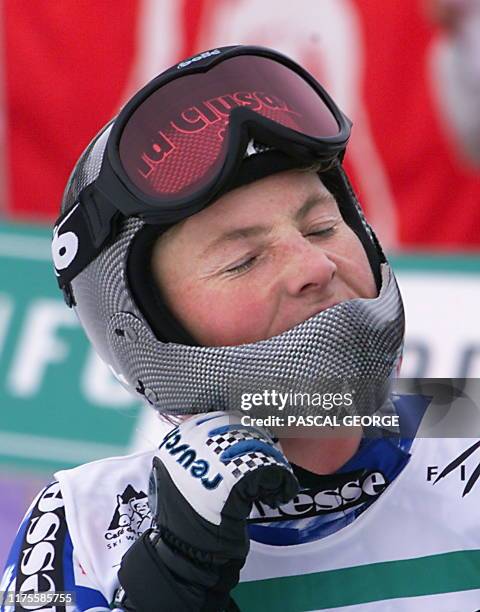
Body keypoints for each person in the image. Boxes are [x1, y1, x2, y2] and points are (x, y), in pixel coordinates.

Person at [1, 45, 480, 612]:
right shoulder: (83, 524)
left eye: (324, 228)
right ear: (143, 329)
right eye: (243, 261)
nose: (314, 267)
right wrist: (166, 586)